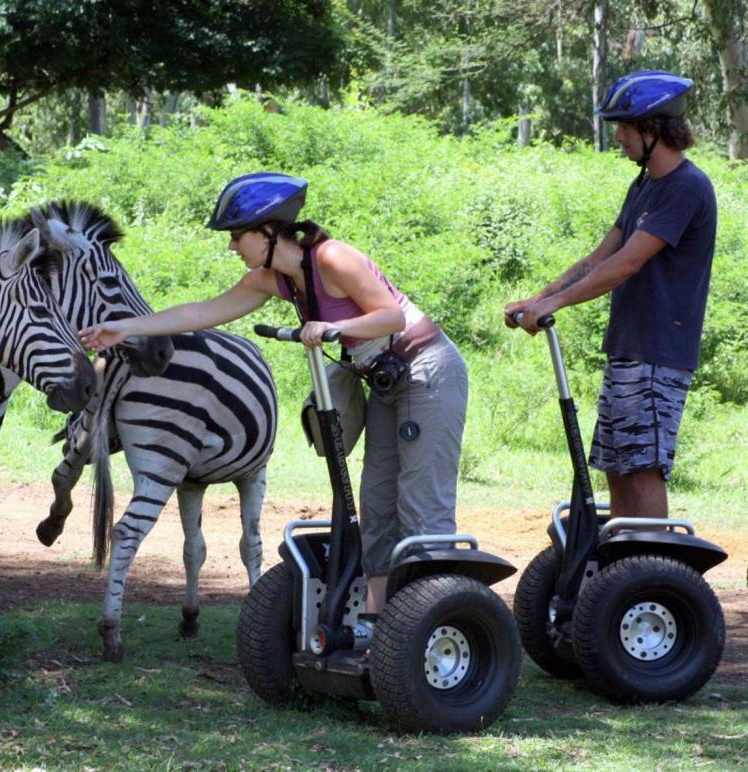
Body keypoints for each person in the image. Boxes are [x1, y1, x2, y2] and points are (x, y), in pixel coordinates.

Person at [80, 172, 468, 614]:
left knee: (421, 503)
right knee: (377, 505)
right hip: (386, 380)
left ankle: (435, 617)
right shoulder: (275, 279)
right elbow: (202, 312)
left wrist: (332, 328)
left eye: (235, 236)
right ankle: (378, 622)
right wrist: (124, 329)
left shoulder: (333, 258)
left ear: (267, 231)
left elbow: (390, 318)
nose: (231, 247)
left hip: (427, 370)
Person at [505, 70, 716, 521]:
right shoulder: (644, 186)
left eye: (623, 127)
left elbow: (627, 263)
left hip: (659, 352)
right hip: (629, 348)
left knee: (643, 467)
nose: (617, 137)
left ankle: (653, 575)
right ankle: (621, 577)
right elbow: (601, 255)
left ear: (653, 128)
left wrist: (554, 305)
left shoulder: (686, 188)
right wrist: (537, 297)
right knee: (617, 467)